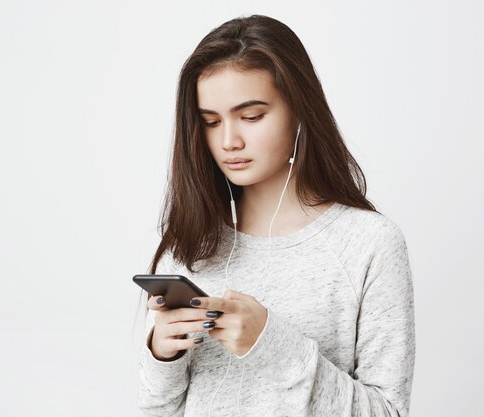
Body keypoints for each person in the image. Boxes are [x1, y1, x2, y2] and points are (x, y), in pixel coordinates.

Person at [136, 14, 415, 417]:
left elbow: (387, 413)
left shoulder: (369, 245)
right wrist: (163, 357)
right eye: (211, 122)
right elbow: (156, 411)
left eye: (251, 116)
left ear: (300, 110)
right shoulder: (190, 249)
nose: (229, 140)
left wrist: (272, 344)